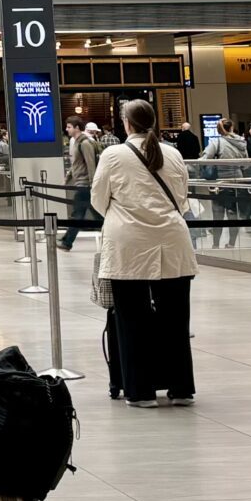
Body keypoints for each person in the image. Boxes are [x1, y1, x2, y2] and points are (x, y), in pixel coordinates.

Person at [92, 99, 197, 409]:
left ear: (127, 124)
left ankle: (140, 390)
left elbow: (98, 198)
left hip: (129, 245)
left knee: (132, 319)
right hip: (172, 242)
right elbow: (182, 197)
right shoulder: (174, 153)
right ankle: (181, 388)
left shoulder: (113, 155)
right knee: (176, 320)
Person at [199, 119, 248, 248]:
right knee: (233, 214)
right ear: (232, 127)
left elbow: (204, 159)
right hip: (237, 182)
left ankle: (215, 244)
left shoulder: (217, 142)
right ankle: (231, 244)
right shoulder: (242, 143)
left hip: (220, 183)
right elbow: (245, 165)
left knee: (218, 214)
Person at [60, 122, 103, 251]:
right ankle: (66, 241)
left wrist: (92, 184)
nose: (67, 129)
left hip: (85, 185)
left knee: (78, 214)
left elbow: (90, 165)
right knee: (96, 215)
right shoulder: (77, 143)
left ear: (77, 128)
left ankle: (67, 242)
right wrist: (67, 178)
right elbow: (76, 164)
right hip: (83, 184)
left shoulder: (84, 144)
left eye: (69, 127)